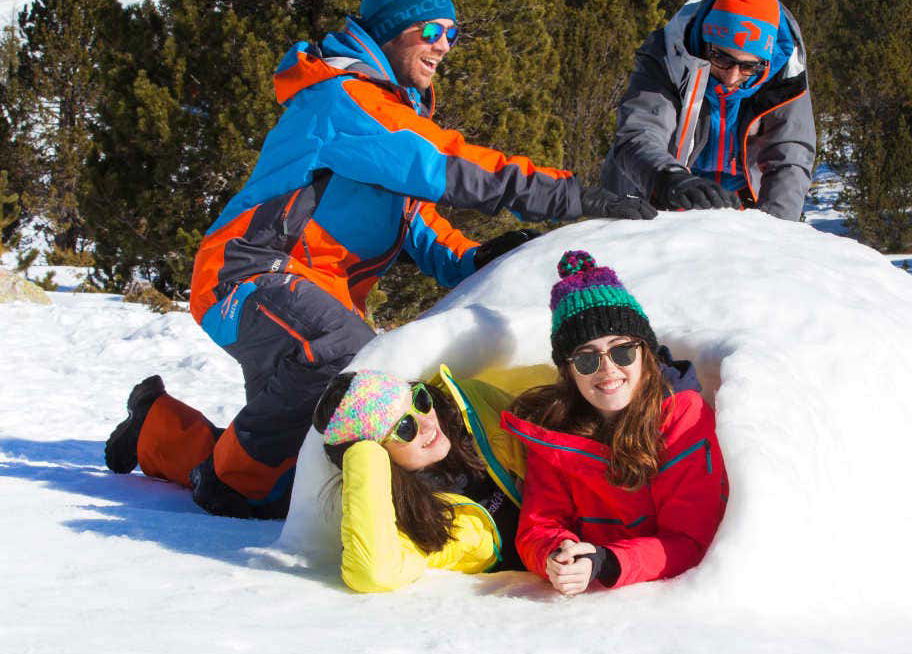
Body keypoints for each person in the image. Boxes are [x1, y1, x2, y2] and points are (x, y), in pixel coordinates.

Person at [103, 0, 655, 519]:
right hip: (246, 273)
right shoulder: (341, 100)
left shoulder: (388, 111)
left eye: (453, 34)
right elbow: (448, 163)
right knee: (343, 361)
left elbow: (416, 223)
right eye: (432, 31)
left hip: (312, 297)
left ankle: (154, 424)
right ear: (392, 30)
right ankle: (226, 485)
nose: (445, 46)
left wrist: (477, 258)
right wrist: (573, 194)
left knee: (295, 475)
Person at [503, 251, 729, 594]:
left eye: (621, 351)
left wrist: (607, 562)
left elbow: (689, 540)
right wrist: (557, 554)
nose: (607, 369)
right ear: (569, 370)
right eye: (586, 358)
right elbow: (541, 523)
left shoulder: (683, 417)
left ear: (645, 353)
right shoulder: (554, 430)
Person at [312, 366, 526, 592]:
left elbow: (552, 426)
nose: (427, 423)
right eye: (405, 428)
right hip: (526, 594)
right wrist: (364, 453)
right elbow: (375, 573)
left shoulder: (472, 405)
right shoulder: (409, 524)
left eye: (419, 401)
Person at [601, 0, 816, 221]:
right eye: (722, 58)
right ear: (705, 42)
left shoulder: (785, 76)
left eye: (748, 66)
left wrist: (774, 229)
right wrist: (668, 178)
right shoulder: (669, 57)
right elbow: (640, 132)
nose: (732, 77)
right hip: (656, 189)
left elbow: (790, 156)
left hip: (744, 204)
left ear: (765, 61)